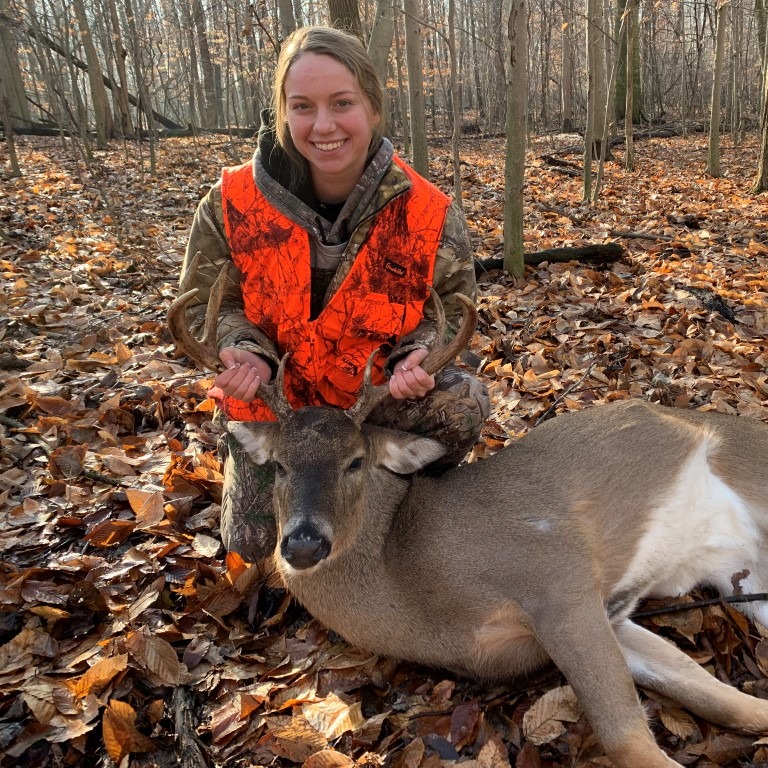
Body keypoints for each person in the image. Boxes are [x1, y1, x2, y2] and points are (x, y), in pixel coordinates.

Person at [178, 25, 490, 561]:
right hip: (274, 408)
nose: (323, 125)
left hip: (364, 407)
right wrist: (242, 348)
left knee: (461, 405)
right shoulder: (230, 202)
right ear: (283, 112)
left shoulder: (428, 212)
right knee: (252, 549)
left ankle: (385, 496)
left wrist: (416, 352)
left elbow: (446, 307)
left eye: (342, 103)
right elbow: (212, 301)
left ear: (372, 108)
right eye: (302, 106)